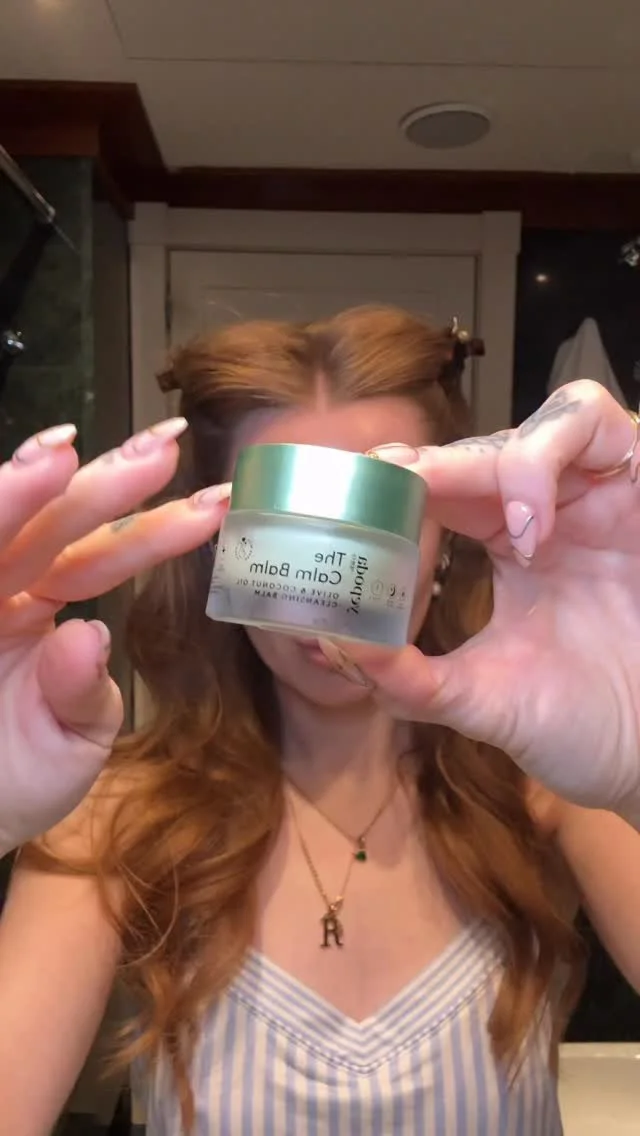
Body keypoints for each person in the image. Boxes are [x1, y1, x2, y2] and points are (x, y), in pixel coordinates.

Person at [1, 306, 640, 1135]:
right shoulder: (115, 816)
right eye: (288, 525)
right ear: (219, 543)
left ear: (444, 540)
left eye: (377, 520)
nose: (329, 582)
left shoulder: (552, 790)